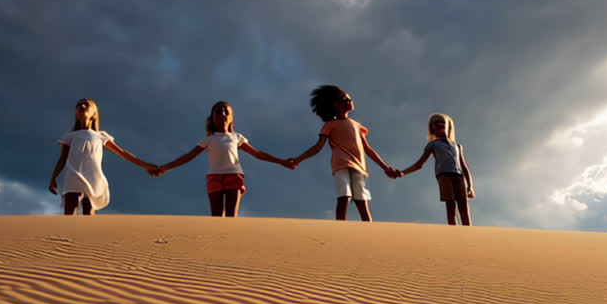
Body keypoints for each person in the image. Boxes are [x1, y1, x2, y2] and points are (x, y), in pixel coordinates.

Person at [157, 100, 295, 217]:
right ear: (212, 118)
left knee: (231, 216)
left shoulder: (237, 137)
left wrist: (281, 161)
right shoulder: (209, 140)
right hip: (214, 178)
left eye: (226, 112)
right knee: (216, 217)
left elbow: (257, 154)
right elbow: (188, 156)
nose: (222, 114)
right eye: (218, 112)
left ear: (231, 119)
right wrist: (165, 167)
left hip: (234, 176)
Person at [291, 85, 397, 221]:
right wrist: (299, 159)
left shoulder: (356, 125)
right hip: (340, 163)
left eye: (349, 99)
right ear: (335, 104)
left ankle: (369, 228)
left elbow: (368, 149)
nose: (349, 101)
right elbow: (317, 147)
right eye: (344, 99)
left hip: (359, 165)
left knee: (361, 198)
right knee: (344, 195)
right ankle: (340, 226)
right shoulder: (330, 125)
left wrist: (385, 168)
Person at [48, 98, 156, 215]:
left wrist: (146, 165)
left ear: (94, 114)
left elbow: (122, 153)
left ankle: (86, 233)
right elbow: (62, 159)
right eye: (79, 105)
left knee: (88, 209)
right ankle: (66, 233)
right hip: (72, 175)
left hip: (93, 176)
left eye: (86, 105)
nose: (82, 106)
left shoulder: (101, 136)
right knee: (70, 209)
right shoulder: (69, 136)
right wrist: (53, 178)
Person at [398, 113, 474, 226]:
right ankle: (454, 232)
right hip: (444, 176)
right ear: (432, 129)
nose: (438, 124)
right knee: (451, 205)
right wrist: (403, 172)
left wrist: (470, 186)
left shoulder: (457, 146)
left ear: (448, 126)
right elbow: (419, 164)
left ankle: (469, 232)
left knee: (464, 206)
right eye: (434, 124)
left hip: (459, 176)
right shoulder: (433, 144)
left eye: (441, 122)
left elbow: (464, 167)